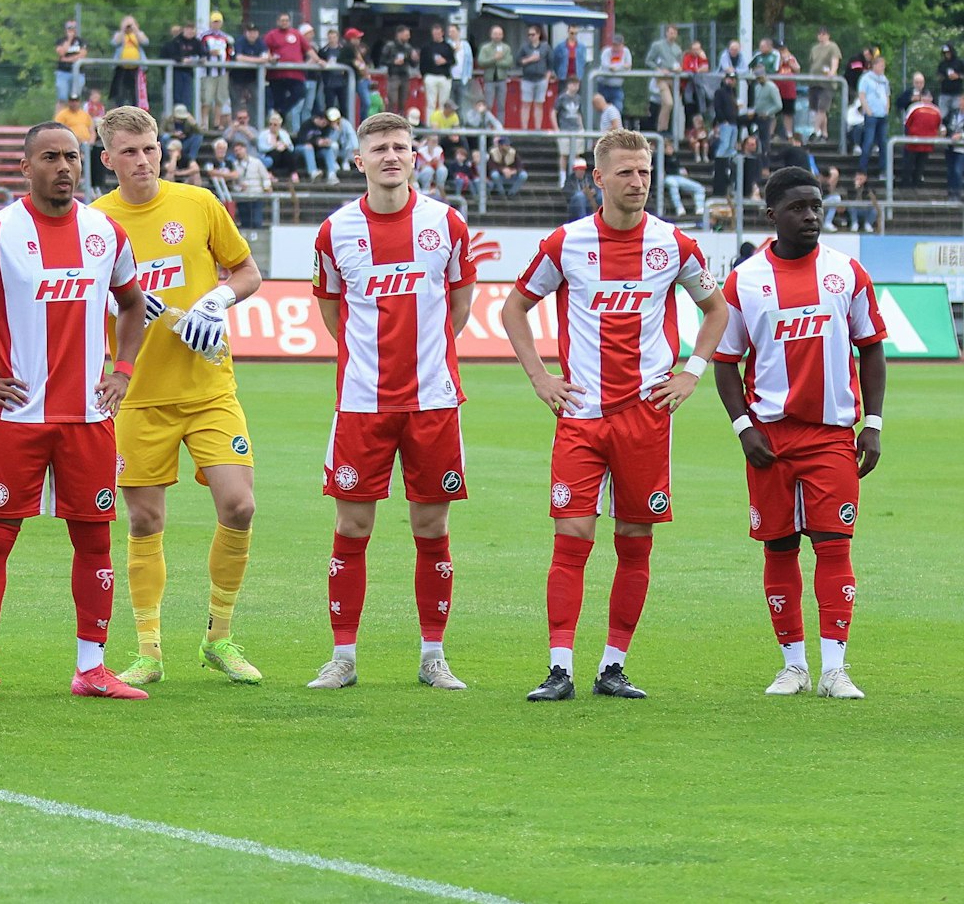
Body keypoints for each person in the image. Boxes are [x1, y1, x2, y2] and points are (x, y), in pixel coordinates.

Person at [0, 120, 148, 702]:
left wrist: (121, 373)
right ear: (26, 167)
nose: (64, 167)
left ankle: (91, 668)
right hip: (19, 420)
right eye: (50, 157)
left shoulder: (105, 232)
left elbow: (131, 304)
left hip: (88, 420)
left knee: (95, 542)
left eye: (72, 157)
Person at [502, 129, 730, 702]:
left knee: (635, 541)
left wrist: (692, 371)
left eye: (646, 172)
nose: (638, 183)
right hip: (581, 415)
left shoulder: (673, 245)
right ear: (597, 178)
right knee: (571, 538)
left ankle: (613, 666)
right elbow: (515, 308)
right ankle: (559, 668)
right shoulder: (567, 243)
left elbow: (716, 309)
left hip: (644, 418)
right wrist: (540, 378)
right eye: (626, 173)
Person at [87, 105, 265, 687]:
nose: (143, 161)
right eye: (130, 152)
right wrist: (128, 305)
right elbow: (84, 303)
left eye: (151, 148)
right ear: (107, 158)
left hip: (209, 384)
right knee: (144, 519)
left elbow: (247, 272)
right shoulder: (95, 222)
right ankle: (149, 651)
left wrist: (218, 300)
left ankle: (220, 636)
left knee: (238, 504)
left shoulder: (198, 204)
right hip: (137, 394)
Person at [309, 111, 476, 693]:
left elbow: (459, 304)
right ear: (359, 160)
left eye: (401, 147)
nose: (391, 156)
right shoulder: (335, 231)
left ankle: (434, 656)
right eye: (379, 148)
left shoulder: (445, 224)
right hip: (361, 404)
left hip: (432, 402)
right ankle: (343, 656)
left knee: (431, 527)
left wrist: (425, 359)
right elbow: (333, 312)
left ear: (415, 156)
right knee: (351, 527)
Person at [713, 167, 887, 700]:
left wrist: (873, 425)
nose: (811, 215)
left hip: (832, 435)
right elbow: (725, 361)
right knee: (780, 547)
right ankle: (794, 665)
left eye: (816, 206)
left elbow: (872, 348)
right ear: (772, 216)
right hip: (769, 439)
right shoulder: (744, 281)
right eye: (798, 208)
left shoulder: (847, 273)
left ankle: (835, 667)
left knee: (834, 544)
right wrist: (744, 428)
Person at [518, 26, 550, 131]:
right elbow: (518, 62)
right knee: (526, 104)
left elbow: (550, 64)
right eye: (529, 35)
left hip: (541, 79)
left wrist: (547, 79)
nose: (531, 37)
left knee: (539, 104)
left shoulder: (545, 47)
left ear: (538, 34)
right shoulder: (524, 48)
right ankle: (524, 129)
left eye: (533, 34)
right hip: (527, 79)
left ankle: (538, 129)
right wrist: (530, 59)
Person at [419, 24, 454, 119]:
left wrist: (445, 61)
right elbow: (422, 62)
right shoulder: (426, 47)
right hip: (430, 76)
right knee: (431, 103)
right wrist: (424, 76)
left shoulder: (447, 46)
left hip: (444, 77)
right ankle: (430, 126)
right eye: (434, 33)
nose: (436, 35)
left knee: (443, 103)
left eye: (438, 33)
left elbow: (453, 61)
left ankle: (442, 125)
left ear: (442, 33)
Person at [55, 19, 87, 104]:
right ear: (66, 29)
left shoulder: (81, 41)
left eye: (74, 27)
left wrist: (67, 59)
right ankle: (59, 117)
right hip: (63, 72)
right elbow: (61, 52)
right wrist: (69, 40)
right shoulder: (61, 41)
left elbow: (82, 55)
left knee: (75, 98)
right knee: (62, 98)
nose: (72, 29)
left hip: (78, 73)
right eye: (70, 27)